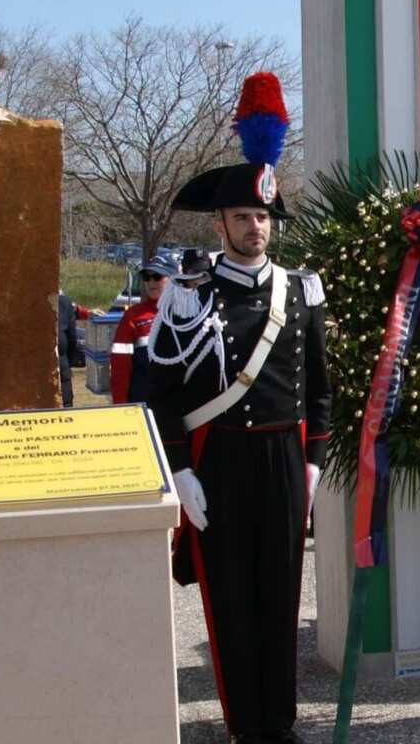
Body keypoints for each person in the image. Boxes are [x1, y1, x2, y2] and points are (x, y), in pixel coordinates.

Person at [145, 72, 330, 743]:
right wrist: (180, 473)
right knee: (230, 603)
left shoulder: (301, 291)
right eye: (243, 217)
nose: (256, 228)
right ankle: (244, 725)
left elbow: (322, 390)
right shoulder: (187, 295)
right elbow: (157, 391)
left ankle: (278, 724)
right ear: (220, 222)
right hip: (217, 460)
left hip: (283, 459)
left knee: (280, 598)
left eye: (263, 217)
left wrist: (312, 464)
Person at [110, 253, 175, 405]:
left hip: (180, 405)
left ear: (173, 279)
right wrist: (120, 405)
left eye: (157, 276)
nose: (151, 282)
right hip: (143, 404)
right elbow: (120, 367)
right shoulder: (133, 316)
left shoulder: (187, 313)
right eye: (146, 277)